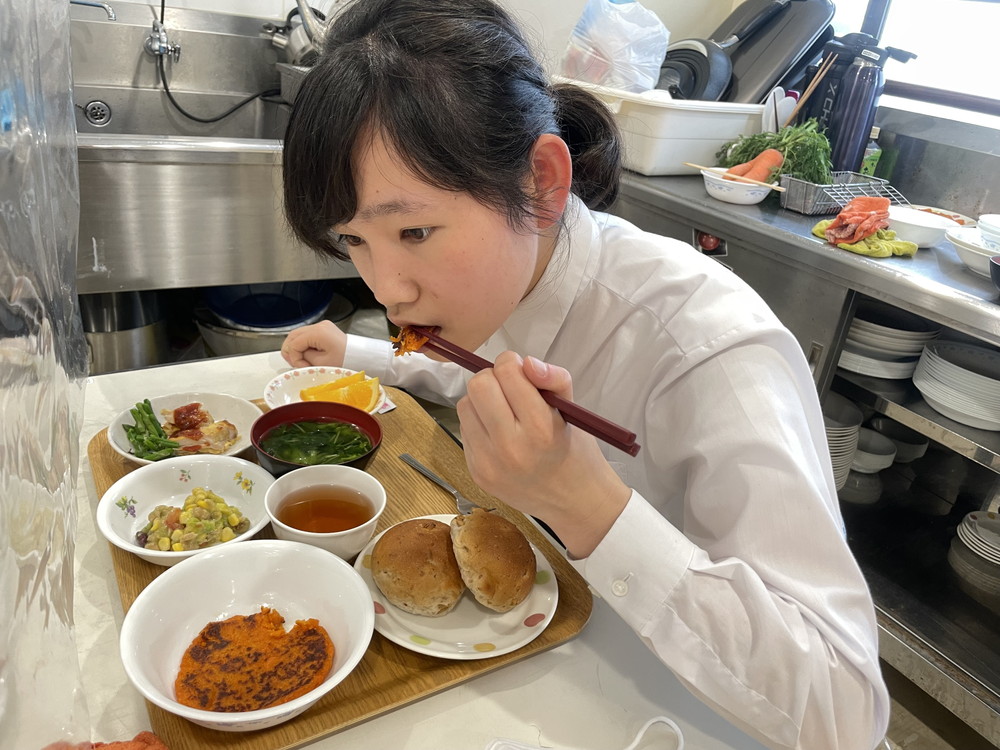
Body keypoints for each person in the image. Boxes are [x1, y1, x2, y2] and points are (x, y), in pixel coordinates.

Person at [278, 0, 890, 747]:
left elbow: (846, 710)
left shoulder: (708, 348)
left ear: (540, 180)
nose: (388, 290)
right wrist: (362, 355)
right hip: (552, 675)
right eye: (354, 241)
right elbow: (479, 378)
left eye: (414, 230)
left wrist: (586, 504)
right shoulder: (505, 279)